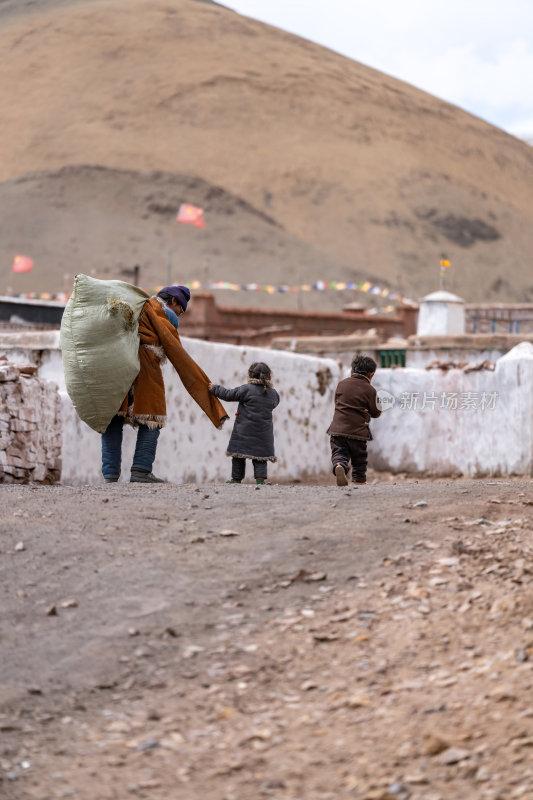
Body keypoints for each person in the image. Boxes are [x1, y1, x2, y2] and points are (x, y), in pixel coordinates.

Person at [102, 285, 227, 483]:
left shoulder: (137, 305)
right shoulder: (167, 315)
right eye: (182, 309)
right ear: (174, 302)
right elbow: (175, 351)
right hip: (145, 369)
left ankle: (110, 475)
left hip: (118, 365)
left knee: (114, 417)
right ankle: (141, 470)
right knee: (154, 415)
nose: (180, 314)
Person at [208, 362, 280, 485]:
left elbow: (228, 395)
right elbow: (274, 404)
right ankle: (260, 480)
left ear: (250, 375)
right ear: (269, 377)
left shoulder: (246, 389)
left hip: (244, 431)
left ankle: (236, 479)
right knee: (261, 458)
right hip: (264, 434)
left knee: (238, 456)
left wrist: (215, 388)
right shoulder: (274, 394)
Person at [327, 354, 381, 486]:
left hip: (337, 430)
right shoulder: (370, 390)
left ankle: (340, 465)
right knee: (359, 460)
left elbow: (337, 403)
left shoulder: (341, 385)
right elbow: (375, 412)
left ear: (351, 371)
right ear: (371, 374)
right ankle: (358, 481)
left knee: (339, 453)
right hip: (358, 432)